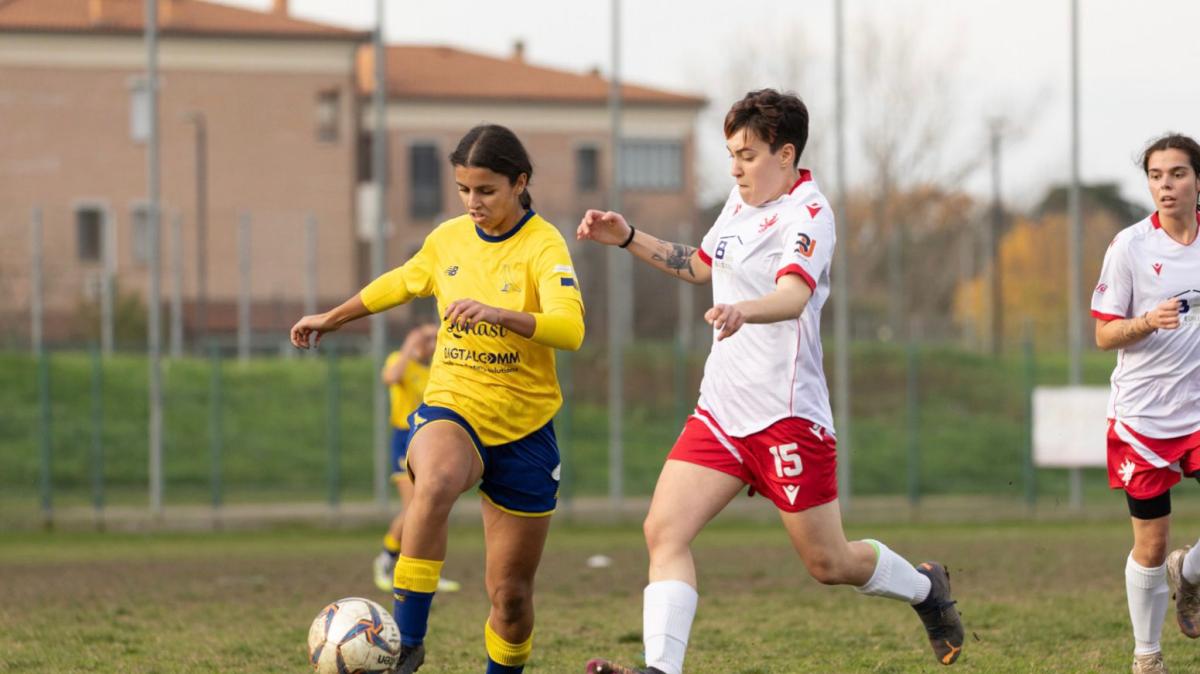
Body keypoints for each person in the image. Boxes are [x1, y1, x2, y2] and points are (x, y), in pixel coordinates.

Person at [576, 89, 963, 674]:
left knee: (828, 563)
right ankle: (662, 669)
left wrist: (742, 311)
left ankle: (925, 588)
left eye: (748, 155)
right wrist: (630, 236)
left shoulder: (810, 213)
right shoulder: (738, 202)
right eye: (731, 154)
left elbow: (793, 295)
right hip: (722, 411)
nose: (735, 167)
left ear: (786, 154)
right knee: (663, 530)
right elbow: (702, 265)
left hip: (786, 416)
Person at [290, 123, 585, 674]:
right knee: (439, 478)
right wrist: (331, 318)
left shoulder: (543, 245)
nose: (472, 203)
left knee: (512, 599)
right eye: (463, 190)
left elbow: (570, 330)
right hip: (454, 402)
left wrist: (500, 313)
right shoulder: (447, 239)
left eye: (486, 191)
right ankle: (407, 644)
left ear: (520, 182)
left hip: (525, 430)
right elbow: (402, 281)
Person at [1092, 133, 1200, 674]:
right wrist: (1146, 321)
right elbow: (1104, 336)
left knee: (1174, 558)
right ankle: (1147, 657)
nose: (1166, 185)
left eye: (1177, 174)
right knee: (1152, 546)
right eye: (1156, 176)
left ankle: (1194, 573)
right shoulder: (1130, 247)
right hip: (1144, 418)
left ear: (1197, 181)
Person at [372, 323, 461, 596]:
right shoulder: (401, 362)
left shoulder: (441, 368)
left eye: (435, 337)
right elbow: (390, 377)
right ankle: (387, 559)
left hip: (434, 438)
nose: (430, 343)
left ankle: (428, 570)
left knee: (434, 505)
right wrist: (410, 345)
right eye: (425, 337)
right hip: (405, 438)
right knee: (414, 507)